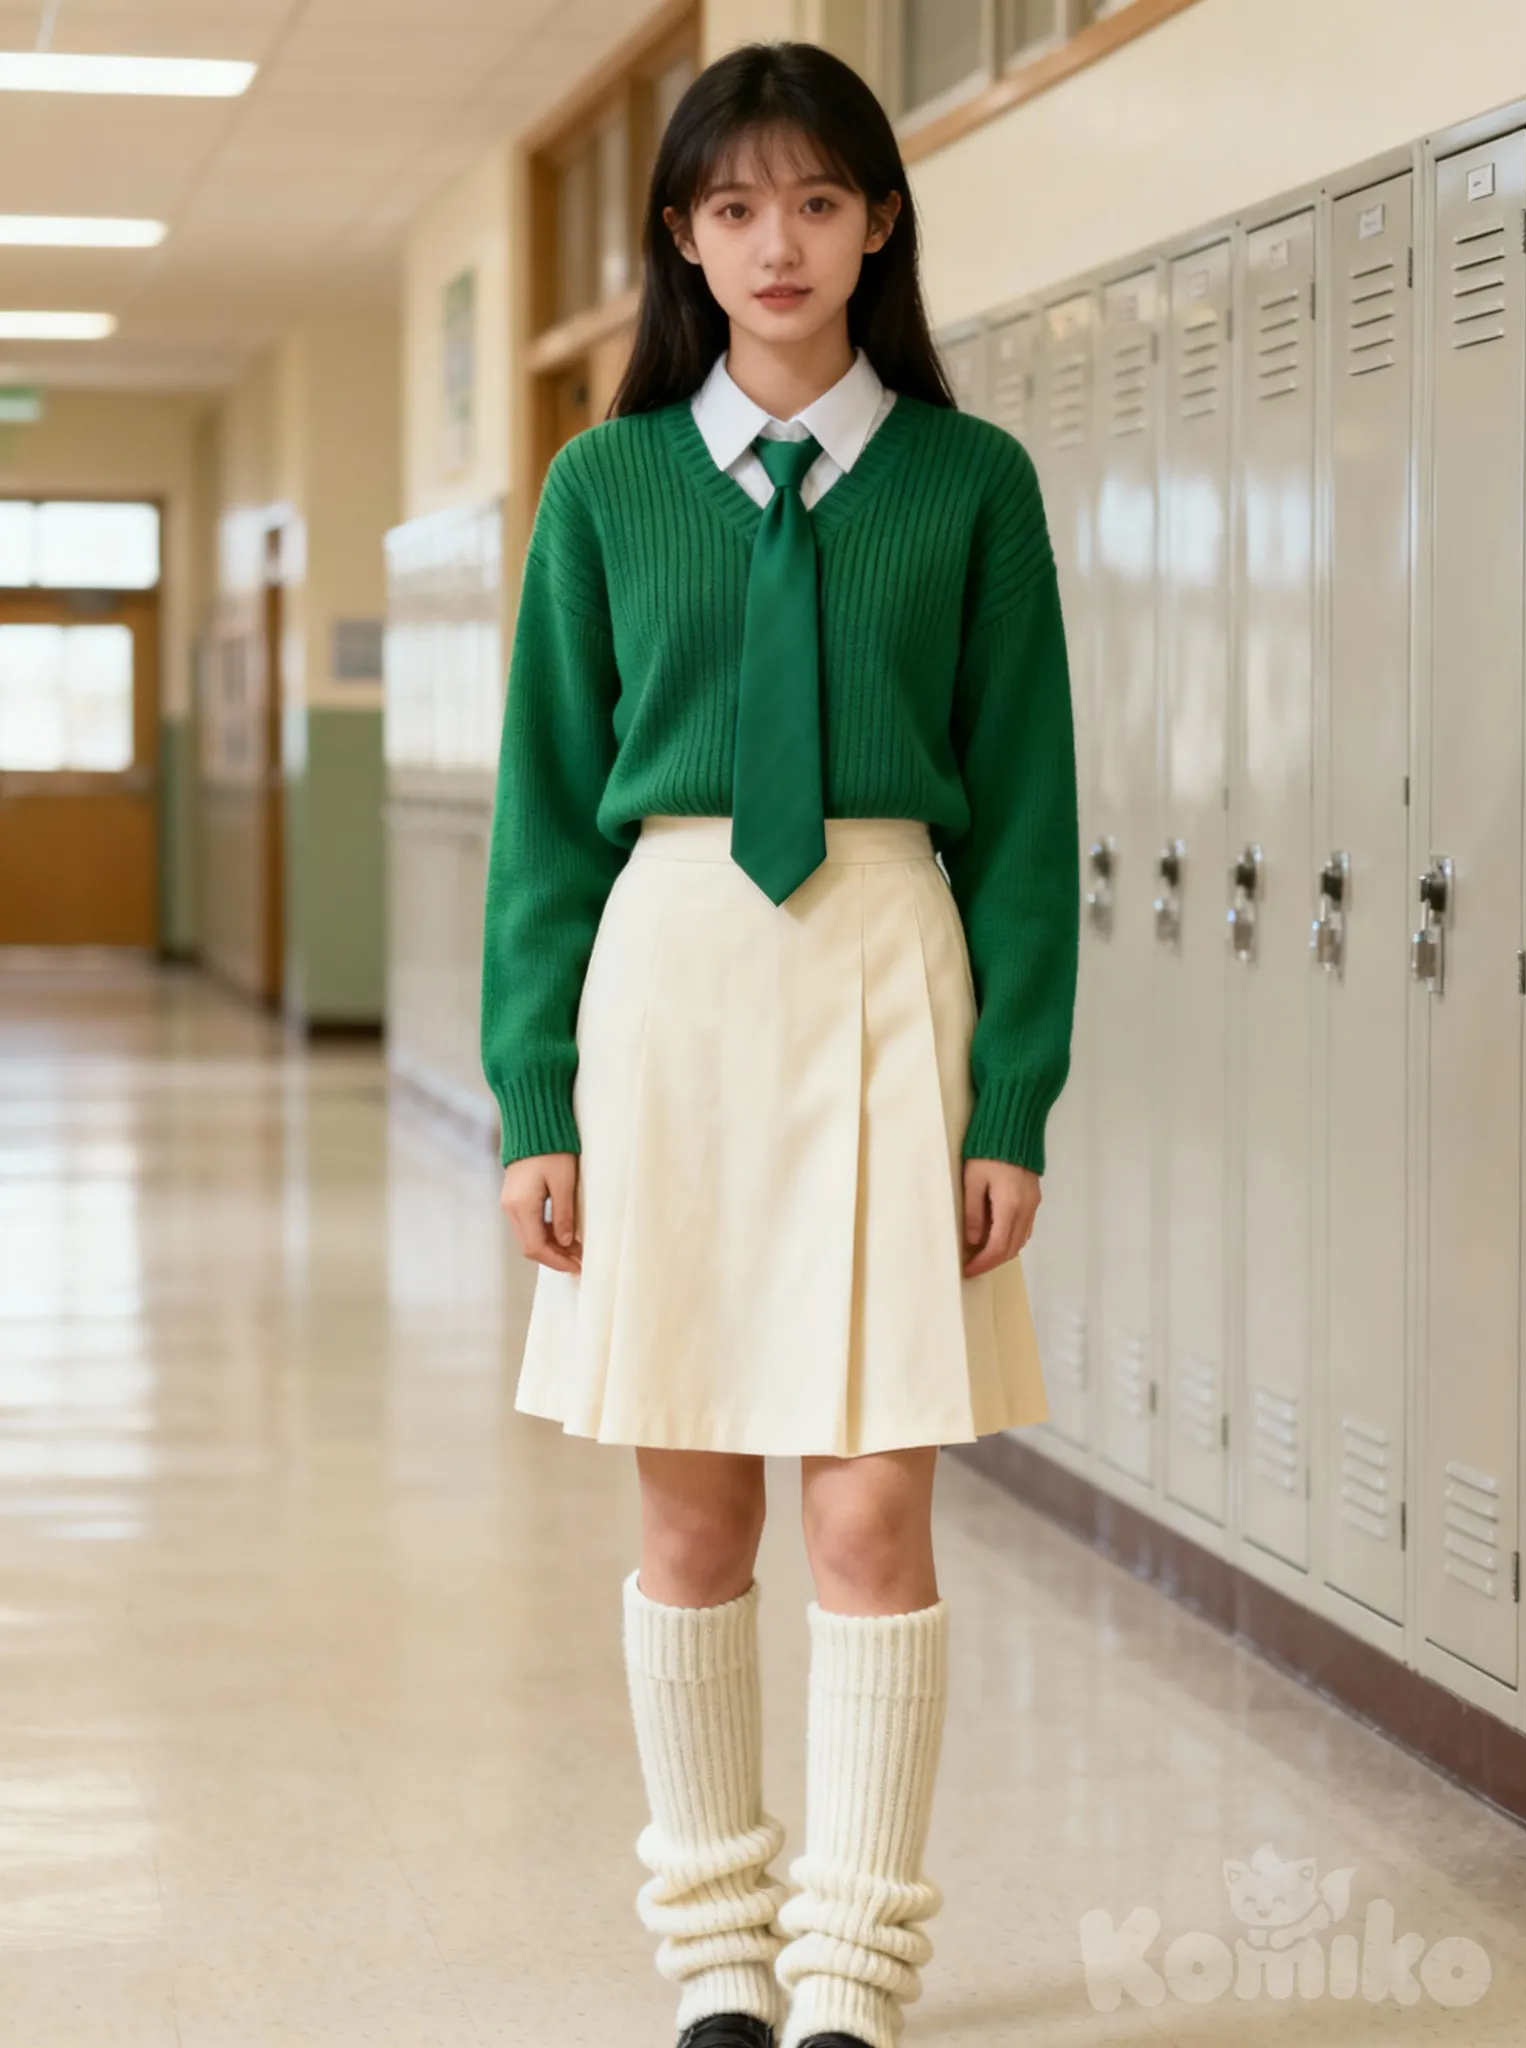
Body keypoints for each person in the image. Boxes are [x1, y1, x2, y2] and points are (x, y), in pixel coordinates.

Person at [480, 39, 1079, 2048]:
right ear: (681, 238)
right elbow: (545, 816)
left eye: (818, 201)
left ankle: (852, 1971)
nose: (778, 244)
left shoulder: (972, 485)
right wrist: (534, 1097)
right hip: (668, 996)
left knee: (870, 1511)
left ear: (880, 221)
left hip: (887, 984)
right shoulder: (604, 485)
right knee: (693, 1516)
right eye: (734, 208)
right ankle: (719, 1957)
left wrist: (1013, 1101)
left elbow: (1030, 815)